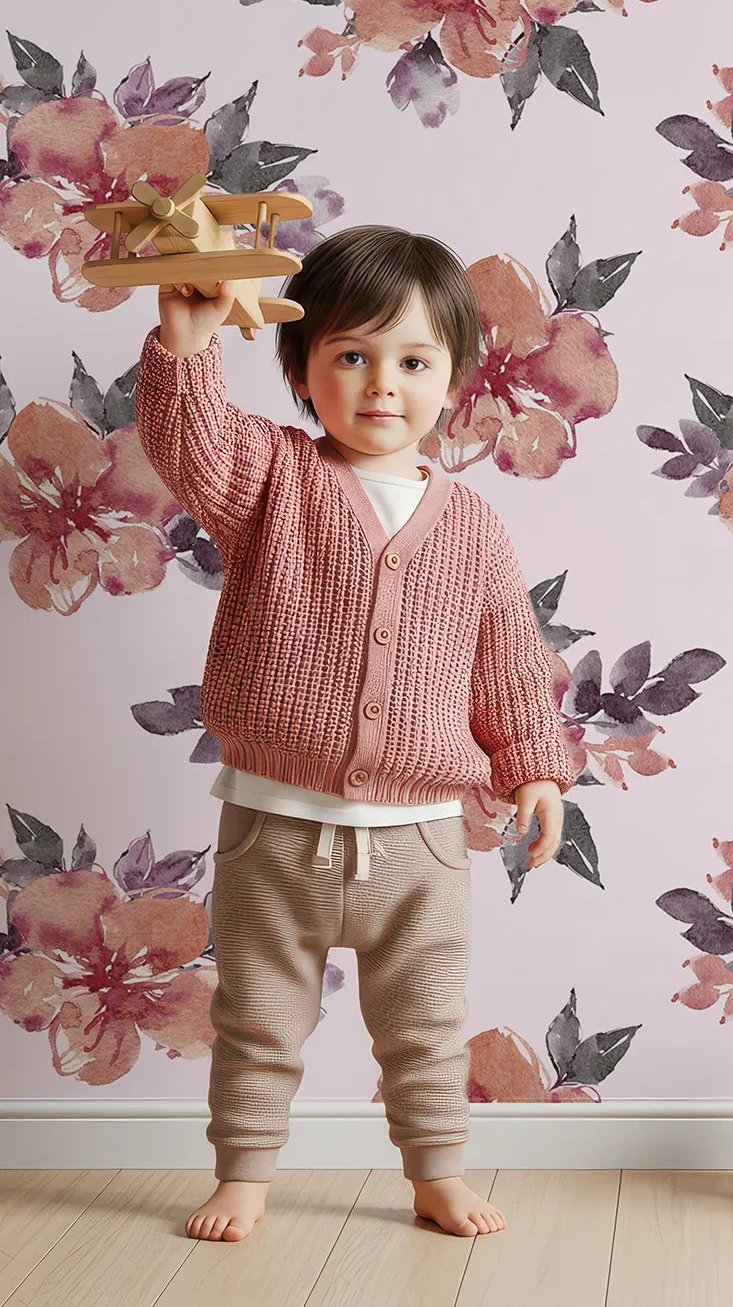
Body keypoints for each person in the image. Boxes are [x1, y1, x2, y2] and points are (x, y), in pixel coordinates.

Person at [134, 226, 579, 1243]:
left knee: (422, 1023)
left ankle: (435, 1171)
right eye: (351, 355)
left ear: (454, 376)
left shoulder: (470, 526)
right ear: (300, 369)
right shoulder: (270, 479)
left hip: (420, 837)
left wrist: (534, 769)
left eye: (413, 360)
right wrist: (188, 344)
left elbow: (507, 657)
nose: (383, 384)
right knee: (257, 1015)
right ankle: (245, 1173)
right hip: (273, 826)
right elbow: (187, 441)